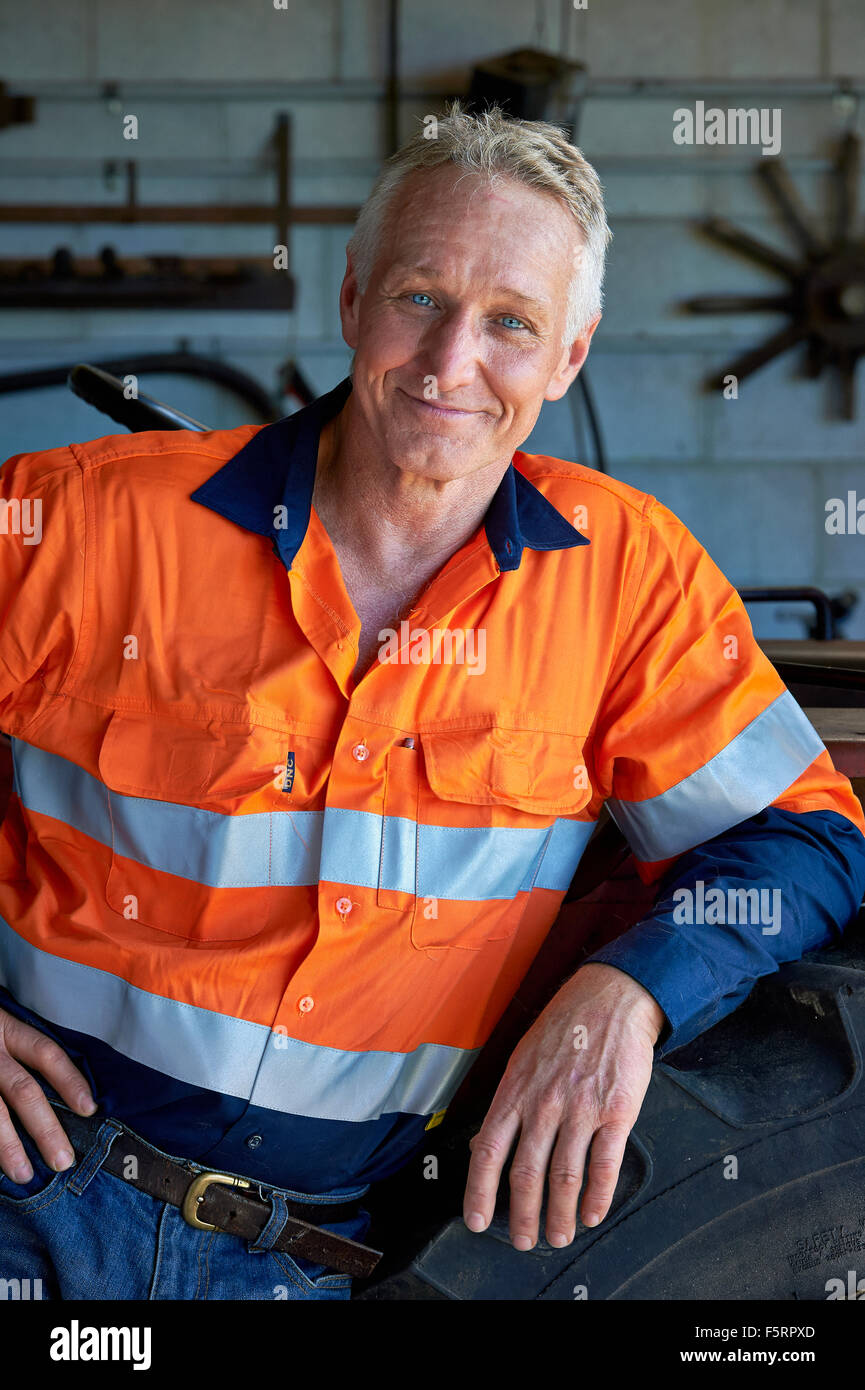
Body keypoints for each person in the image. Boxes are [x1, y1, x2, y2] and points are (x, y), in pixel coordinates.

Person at [0, 100, 863, 1301]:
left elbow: (806, 836)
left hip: (307, 1260)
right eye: (420, 299)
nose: (453, 361)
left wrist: (630, 992)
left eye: (510, 321)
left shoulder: (623, 581)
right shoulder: (87, 522)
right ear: (353, 301)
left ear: (569, 355)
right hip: (32, 1199)